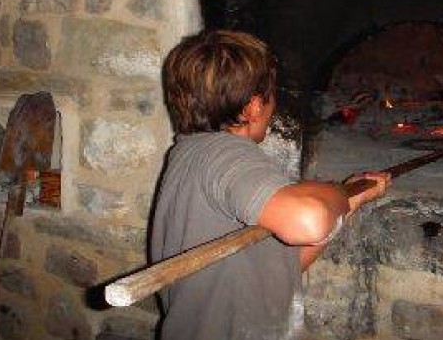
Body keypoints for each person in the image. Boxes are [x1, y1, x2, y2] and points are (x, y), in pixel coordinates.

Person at [150, 29, 392, 340]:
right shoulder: (224, 155)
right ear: (252, 107)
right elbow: (309, 221)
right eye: (272, 93)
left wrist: (352, 200)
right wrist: (338, 193)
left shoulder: (192, 152)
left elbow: (277, 269)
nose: (273, 104)